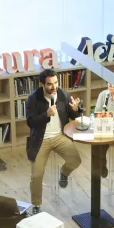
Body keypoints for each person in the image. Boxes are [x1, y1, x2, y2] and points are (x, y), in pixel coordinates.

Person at [26, 68, 83, 211]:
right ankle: (36, 205)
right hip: (41, 140)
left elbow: (74, 116)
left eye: (56, 83)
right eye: (50, 84)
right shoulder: (33, 98)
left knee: (76, 160)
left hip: (59, 136)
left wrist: (76, 109)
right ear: (42, 84)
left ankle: (64, 173)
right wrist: (46, 114)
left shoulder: (63, 94)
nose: (54, 87)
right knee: (37, 175)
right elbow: (30, 122)